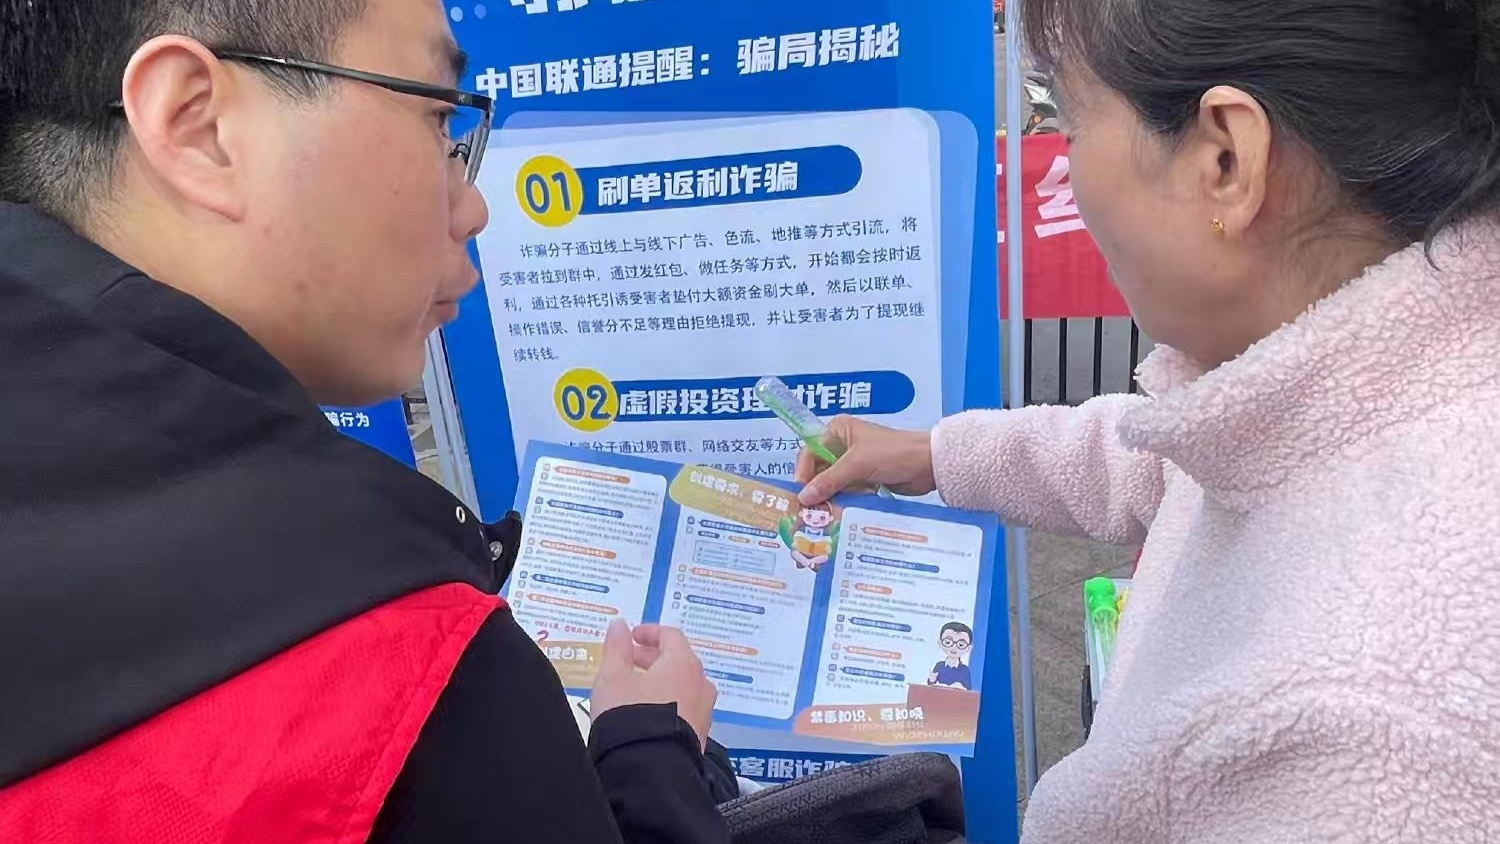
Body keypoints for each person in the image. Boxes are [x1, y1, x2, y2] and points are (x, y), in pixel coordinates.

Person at [0, 2, 728, 842]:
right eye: (439, 120)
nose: (473, 208)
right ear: (198, 125)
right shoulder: (410, 680)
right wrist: (651, 757)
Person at [799, 0, 1500, 840]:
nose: (1066, 166)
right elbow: (1165, 460)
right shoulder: (1374, 388)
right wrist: (932, 455)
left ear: (1226, 160)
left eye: (1070, 126)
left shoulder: (1375, 731)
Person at [927, 622, 973, 690]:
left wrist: (959, 687)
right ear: (940, 643)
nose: (954, 647)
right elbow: (930, 687)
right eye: (948, 642)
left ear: (968, 648)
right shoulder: (939, 665)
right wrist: (932, 680)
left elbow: (968, 690)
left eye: (960, 645)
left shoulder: (965, 670)